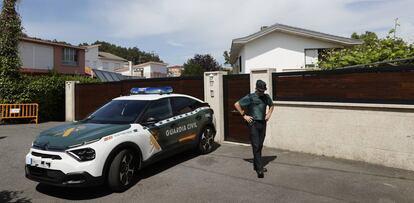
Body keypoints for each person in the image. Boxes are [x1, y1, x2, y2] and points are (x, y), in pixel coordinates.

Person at [234, 80, 274, 178]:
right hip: (253, 124)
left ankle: (256, 165)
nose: (262, 92)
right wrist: (244, 115)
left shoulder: (266, 97)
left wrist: (269, 114)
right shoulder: (250, 97)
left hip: (263, 123)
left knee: (259, 145)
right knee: (256, 145)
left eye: (263, 90)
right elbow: (237, 104)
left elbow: (272, 105)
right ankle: (260, 169)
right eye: (260, 90)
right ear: (256, 89)